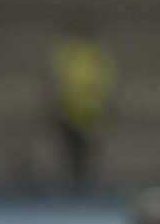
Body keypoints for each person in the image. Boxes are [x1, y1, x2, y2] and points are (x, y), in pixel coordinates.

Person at [47, 12, 116, 193]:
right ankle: (74, 186)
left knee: (83, 153)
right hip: (73, 112)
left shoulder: (92, 55)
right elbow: (55, 81)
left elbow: (104, 84)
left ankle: (81, 187)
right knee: (71, 152)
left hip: (86, 113)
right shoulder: (70, 53)